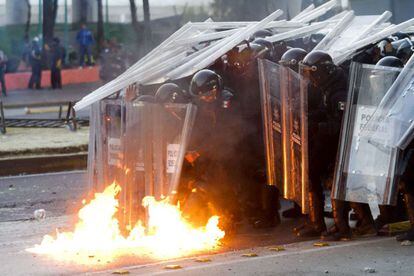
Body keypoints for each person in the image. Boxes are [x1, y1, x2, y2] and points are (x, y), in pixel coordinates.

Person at [296, 50, 349, 239]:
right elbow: (325, 111)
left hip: (341, 144)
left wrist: (318, 125)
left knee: (334, 182)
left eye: (313, 73)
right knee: (312, 172)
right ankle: (318, 223)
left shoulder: (339, 91)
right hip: (328, 141)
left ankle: (343, 228)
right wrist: (308, 117)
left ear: (323, 72)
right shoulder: (329, 86)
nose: (311, 78)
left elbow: (343, 124)